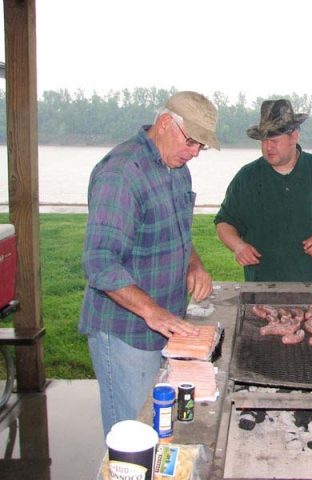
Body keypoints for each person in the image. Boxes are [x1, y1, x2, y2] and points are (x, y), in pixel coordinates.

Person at [79, 91, 219, 437]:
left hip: (165, 322)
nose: (195, 153)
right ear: (166, 123)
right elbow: (99, 261)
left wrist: (194, 265)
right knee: (133, 431)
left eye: (201, 146)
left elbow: (177, 231)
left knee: (162, 426)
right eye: (191, 142)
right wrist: (152, 312)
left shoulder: (175, 167)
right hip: (127, 330)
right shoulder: (122, 172)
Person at [214, 99, 312, 282]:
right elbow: (224, 222)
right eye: (263, 141)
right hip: (261, 289)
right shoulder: (247, 177)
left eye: (274, 140)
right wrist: (238, 246)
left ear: (294, 136)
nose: (268, 147)